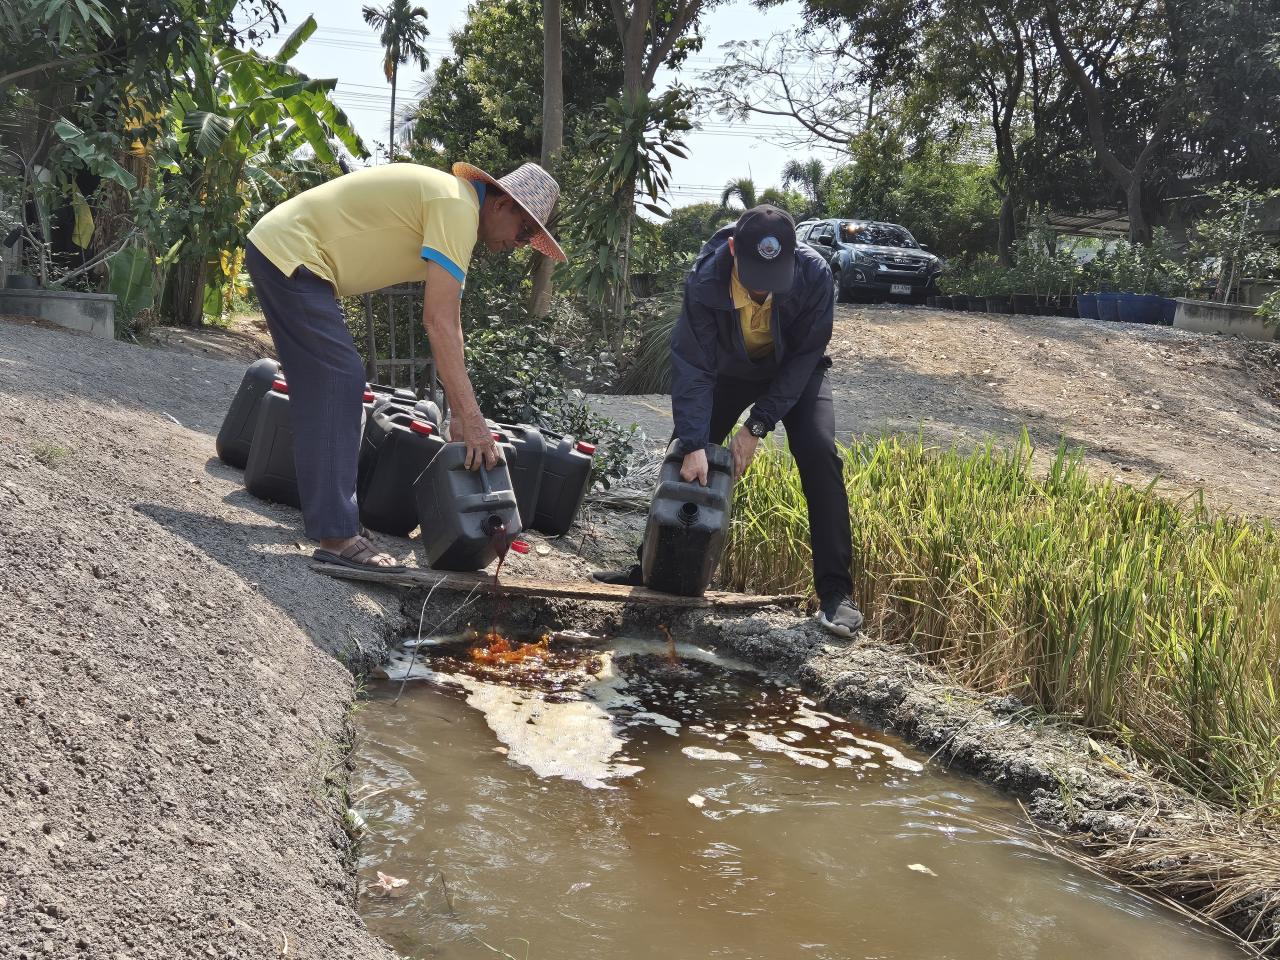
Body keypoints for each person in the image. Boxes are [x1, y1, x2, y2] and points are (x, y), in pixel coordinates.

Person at [244, 161, 565, 571]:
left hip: (292, 257)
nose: (519, 245)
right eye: (524, 232)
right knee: (339, 379)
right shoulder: (457, 207)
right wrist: (472, 418)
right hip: (292, 255)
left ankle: (336, 522)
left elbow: (453, 326)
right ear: (502, 204)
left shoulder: (455, 206)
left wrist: (463, 415)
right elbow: (438, 323)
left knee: (327, 383)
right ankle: (337, 537)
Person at [594, 205, 864, 638]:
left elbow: (804, 358)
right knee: (684, 452)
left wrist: (757, 426)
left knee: (819, 454)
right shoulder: (706, 277)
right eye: (754, 275)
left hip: (795, 372)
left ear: (794, 256)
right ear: (734, 249)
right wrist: (696, 441)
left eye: (772, 279)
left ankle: (836, 595)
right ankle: (650, 565)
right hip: (728, 369)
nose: (761, 290)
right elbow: (693, 364)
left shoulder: (814, 276)